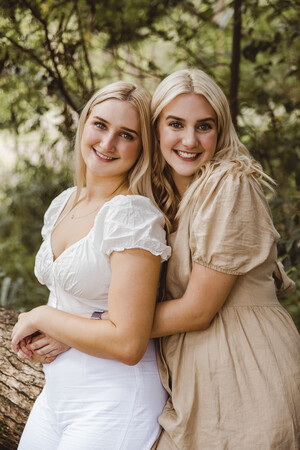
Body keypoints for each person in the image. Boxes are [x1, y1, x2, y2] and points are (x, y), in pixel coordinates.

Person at [11, 80, 171, 450]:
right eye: (100, 125)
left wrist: (43, 318)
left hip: (113, 400)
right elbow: (75, 297)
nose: (107, 143)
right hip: (56, 396)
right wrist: (59, 328)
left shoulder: (131, 215)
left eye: (126, 134)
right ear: (84, 124)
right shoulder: (66, 201)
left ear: (143, 146)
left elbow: (128, 342)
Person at [147, 69, 300, 449]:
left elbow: (198, 310)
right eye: (175, 124)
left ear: (221, 130)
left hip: (248, 371)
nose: (189, 140)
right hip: (196, 378)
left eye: (204, 126)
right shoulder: (163, 200)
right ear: (155, 130)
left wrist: (87, 330)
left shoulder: (230, 183)